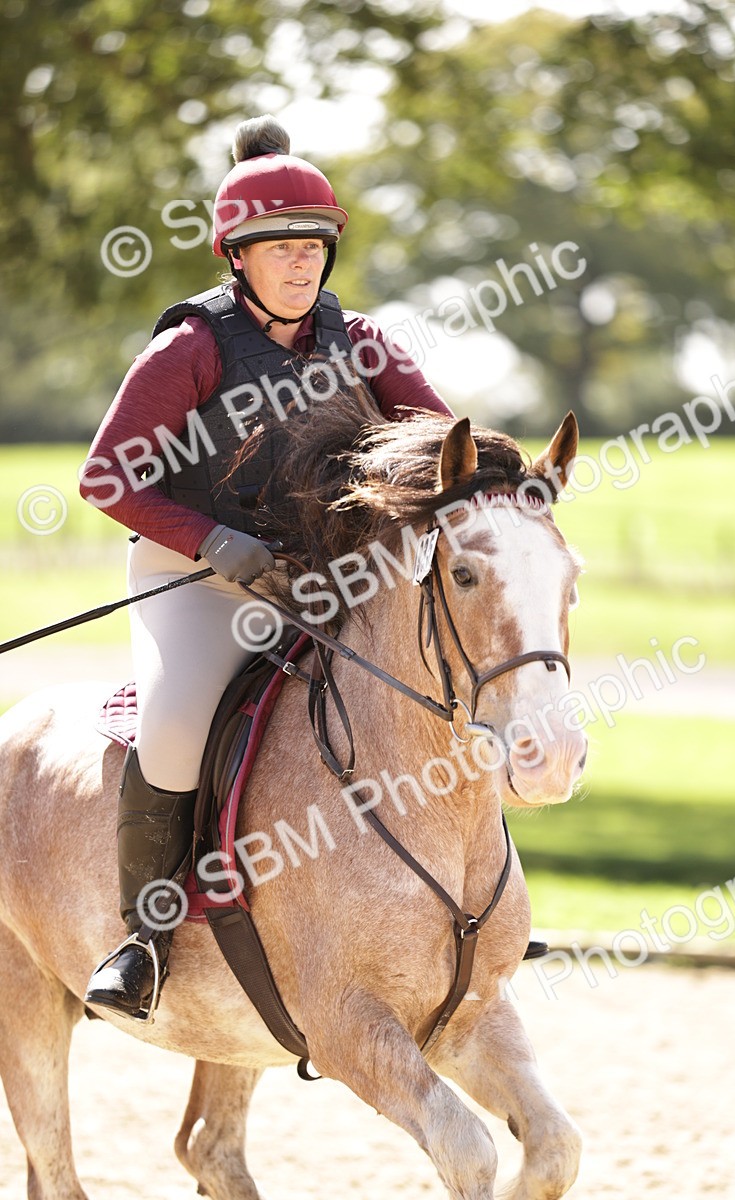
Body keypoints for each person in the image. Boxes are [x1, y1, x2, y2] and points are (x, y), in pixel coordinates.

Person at [82, 114, 453, 1020]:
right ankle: (145, 938)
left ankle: (474, 905)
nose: (301, 262)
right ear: (235, 256)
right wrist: (212, 543)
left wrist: (502, 478)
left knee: (439, 685)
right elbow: (104, 477)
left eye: (314, 244)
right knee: (176, 726)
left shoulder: (359, 338)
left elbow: (443, 436)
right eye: (278, 246)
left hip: (328, 583)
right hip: (198, 580)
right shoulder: (190, 348)